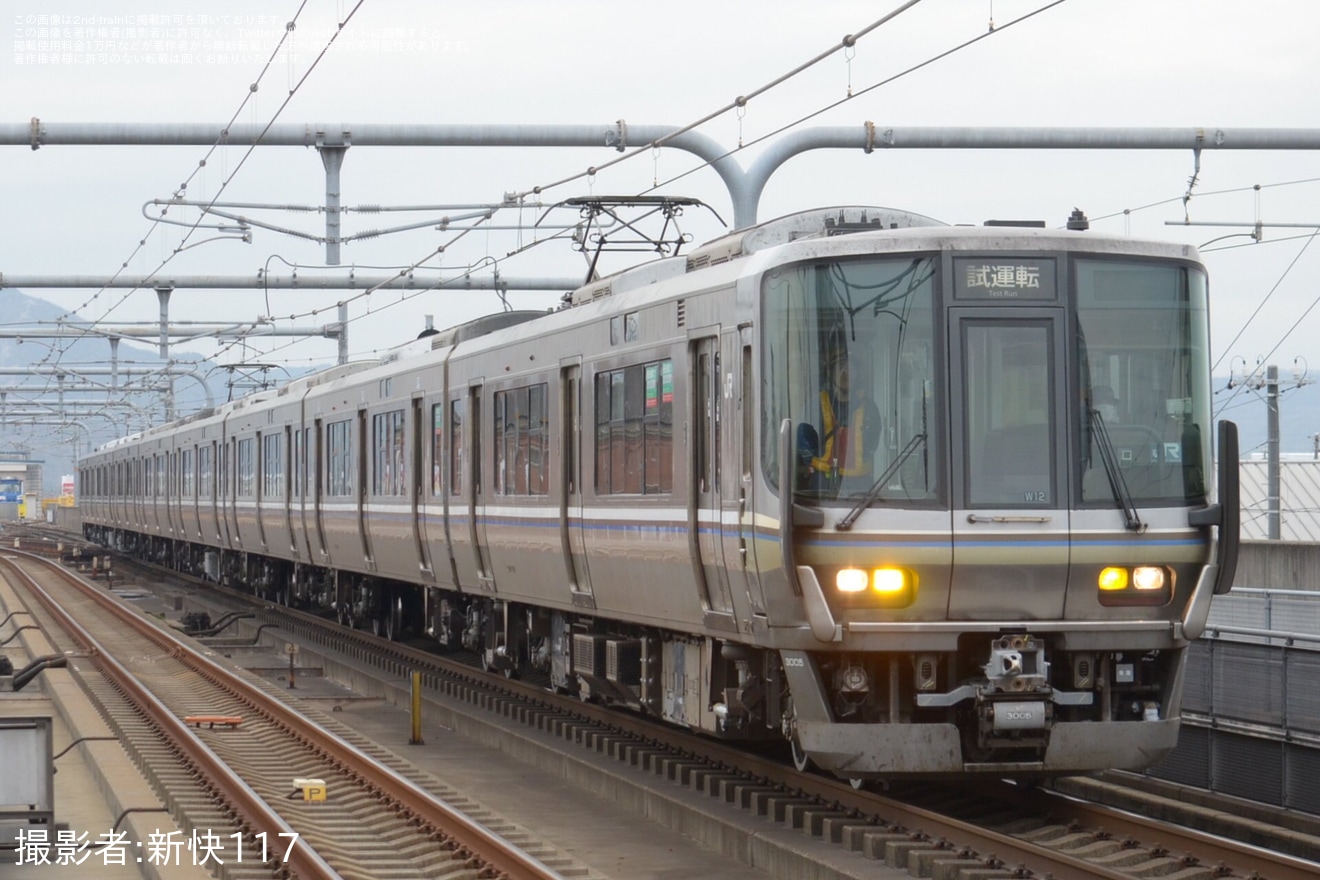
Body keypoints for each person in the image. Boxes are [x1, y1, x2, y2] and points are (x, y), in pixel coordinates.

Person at [805, 350, 881, 491]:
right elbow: (805, 439)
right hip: (823, 484)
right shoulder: (815, 405)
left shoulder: (869, 407)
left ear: (858, 375)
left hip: (859, 484)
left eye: (851, 369)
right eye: (841, 368)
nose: (846, 373)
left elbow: (873, 443)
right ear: (831, 374)